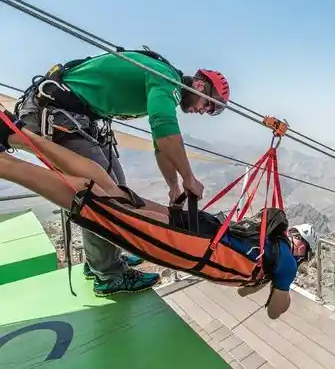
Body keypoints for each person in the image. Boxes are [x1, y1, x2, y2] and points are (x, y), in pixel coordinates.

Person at [0, 106, 317, 318]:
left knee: (108, 189)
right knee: (92, 200)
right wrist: (286, 278)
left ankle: (13, 135)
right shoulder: (285, 262)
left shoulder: (267, 246)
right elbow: (275, 309)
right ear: (301, 249)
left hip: (199, 228)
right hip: (190, 243)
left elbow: (245, 287)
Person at [13, 50, 231, 296]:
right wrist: (189, 178)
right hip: (58, 114)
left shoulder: (163, 81)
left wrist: (174, 186)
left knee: (120, 190)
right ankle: (108, 275)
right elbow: (163, 127)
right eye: (208, 104)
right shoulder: (167, 80)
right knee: (103, 199)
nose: (204, 111)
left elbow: (161, 145)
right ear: (200, 84)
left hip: (73, 115)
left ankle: (100, 260)